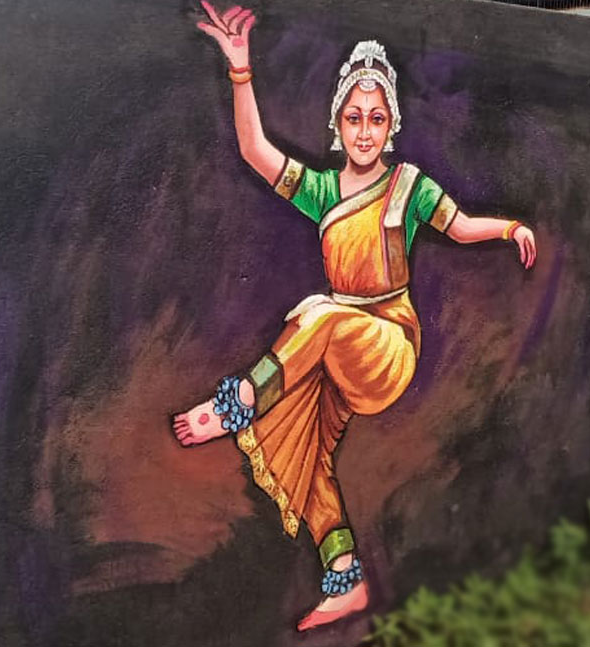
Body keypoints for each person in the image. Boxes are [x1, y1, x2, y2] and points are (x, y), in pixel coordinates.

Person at [176, 3, 538, 632]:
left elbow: (459, 226)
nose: (364, 131)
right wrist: (240, 69)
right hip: (333, 353)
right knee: (304, 448)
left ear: (390, 125)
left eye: (376, 119)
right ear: (337, 125)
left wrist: (508, 228)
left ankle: (236, 404)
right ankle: (345, 577)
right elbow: (255, 150)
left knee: (319, 311)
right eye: (354, 118)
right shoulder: (323, 192)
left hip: (388, 344)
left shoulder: (407, 186)